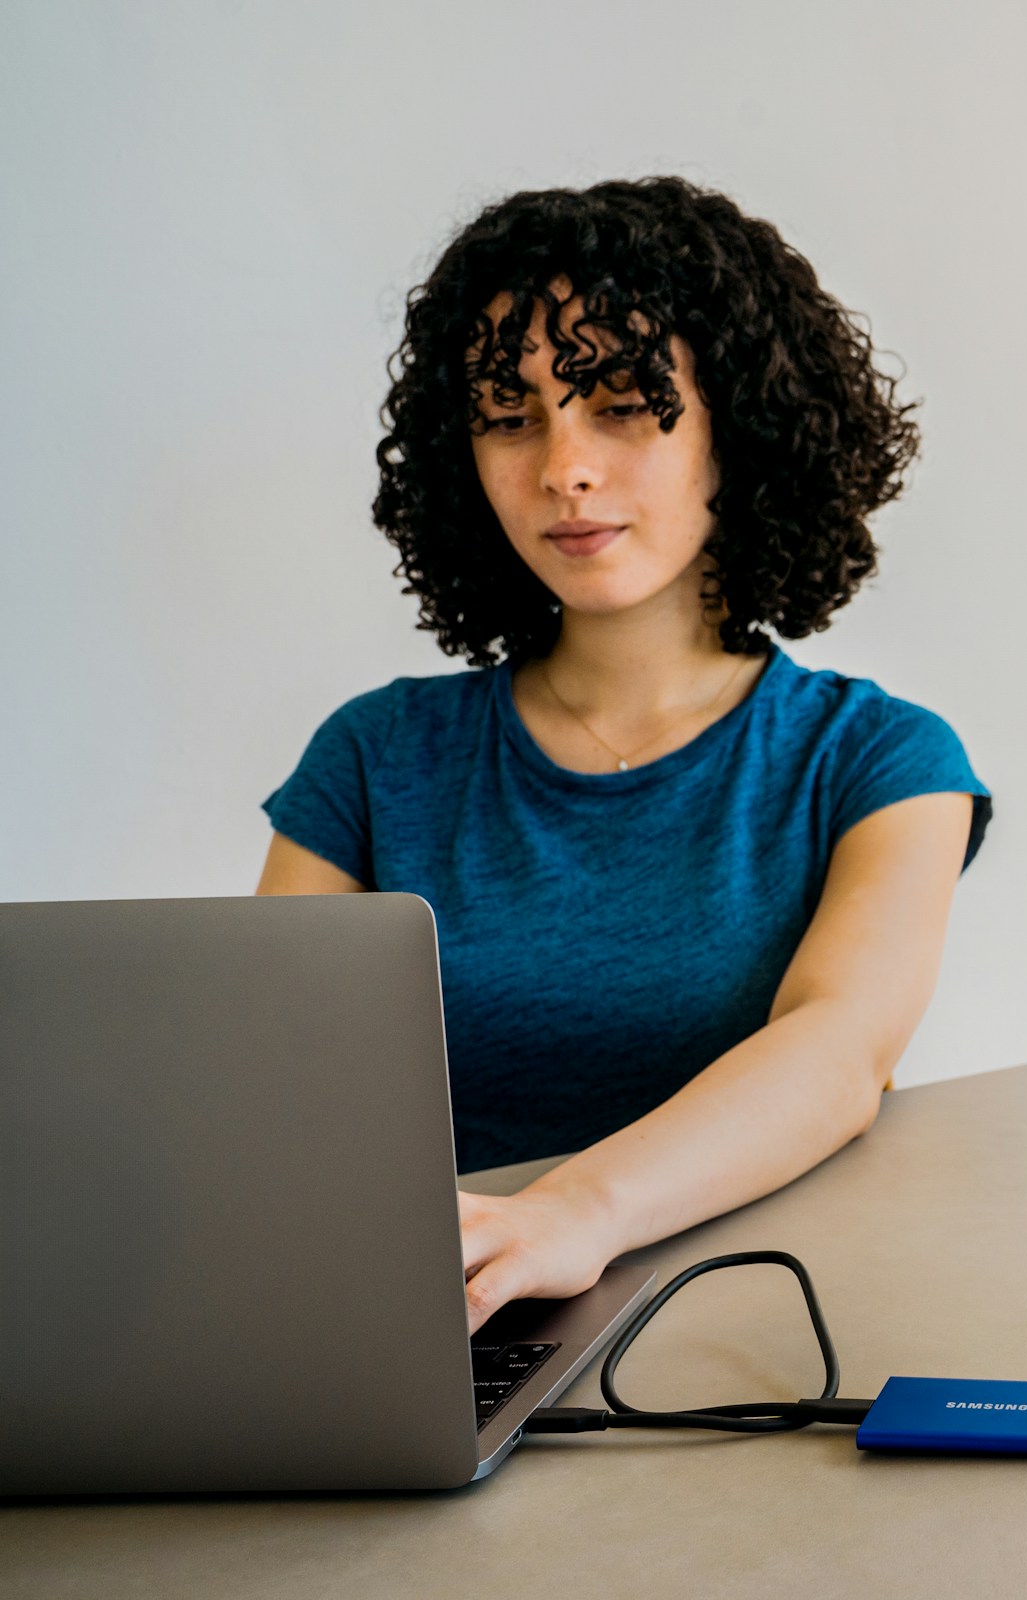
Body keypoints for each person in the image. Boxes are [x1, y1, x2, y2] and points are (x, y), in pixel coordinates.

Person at [258, 178, 989, 1332]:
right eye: (510, 414)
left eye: (618, 403)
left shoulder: (878, 761)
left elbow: (840, 1055)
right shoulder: (370, 760)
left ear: (736, 426)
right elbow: (264, 1094)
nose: (563, 467)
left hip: (762, 1337)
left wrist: (573, 1214)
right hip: (427, 1332)